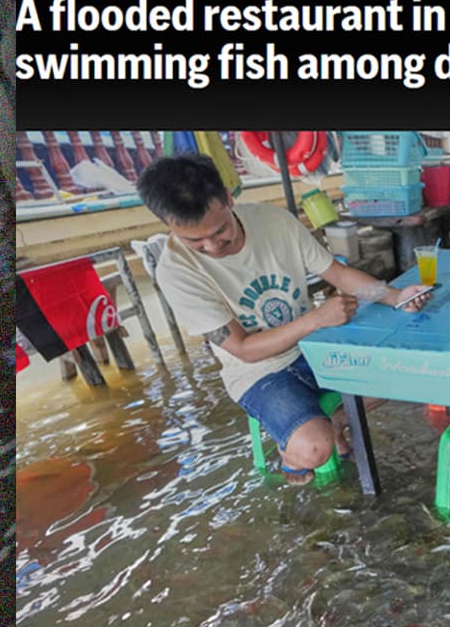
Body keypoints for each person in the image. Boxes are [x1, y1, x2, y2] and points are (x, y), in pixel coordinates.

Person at [136, 155, 433, 484]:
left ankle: (334, 422)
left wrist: (395, 297)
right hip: (258, 373)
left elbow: (336, 272)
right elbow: (244, 349)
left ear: (229, 198)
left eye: (220, 231)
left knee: (401, 373)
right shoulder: (175, 271)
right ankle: (296, 456)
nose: (211, 246)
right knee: (314, 450)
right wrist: (316, 319)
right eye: (195, 241)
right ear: (168, 224)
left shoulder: (274, 221)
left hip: (311, 348)